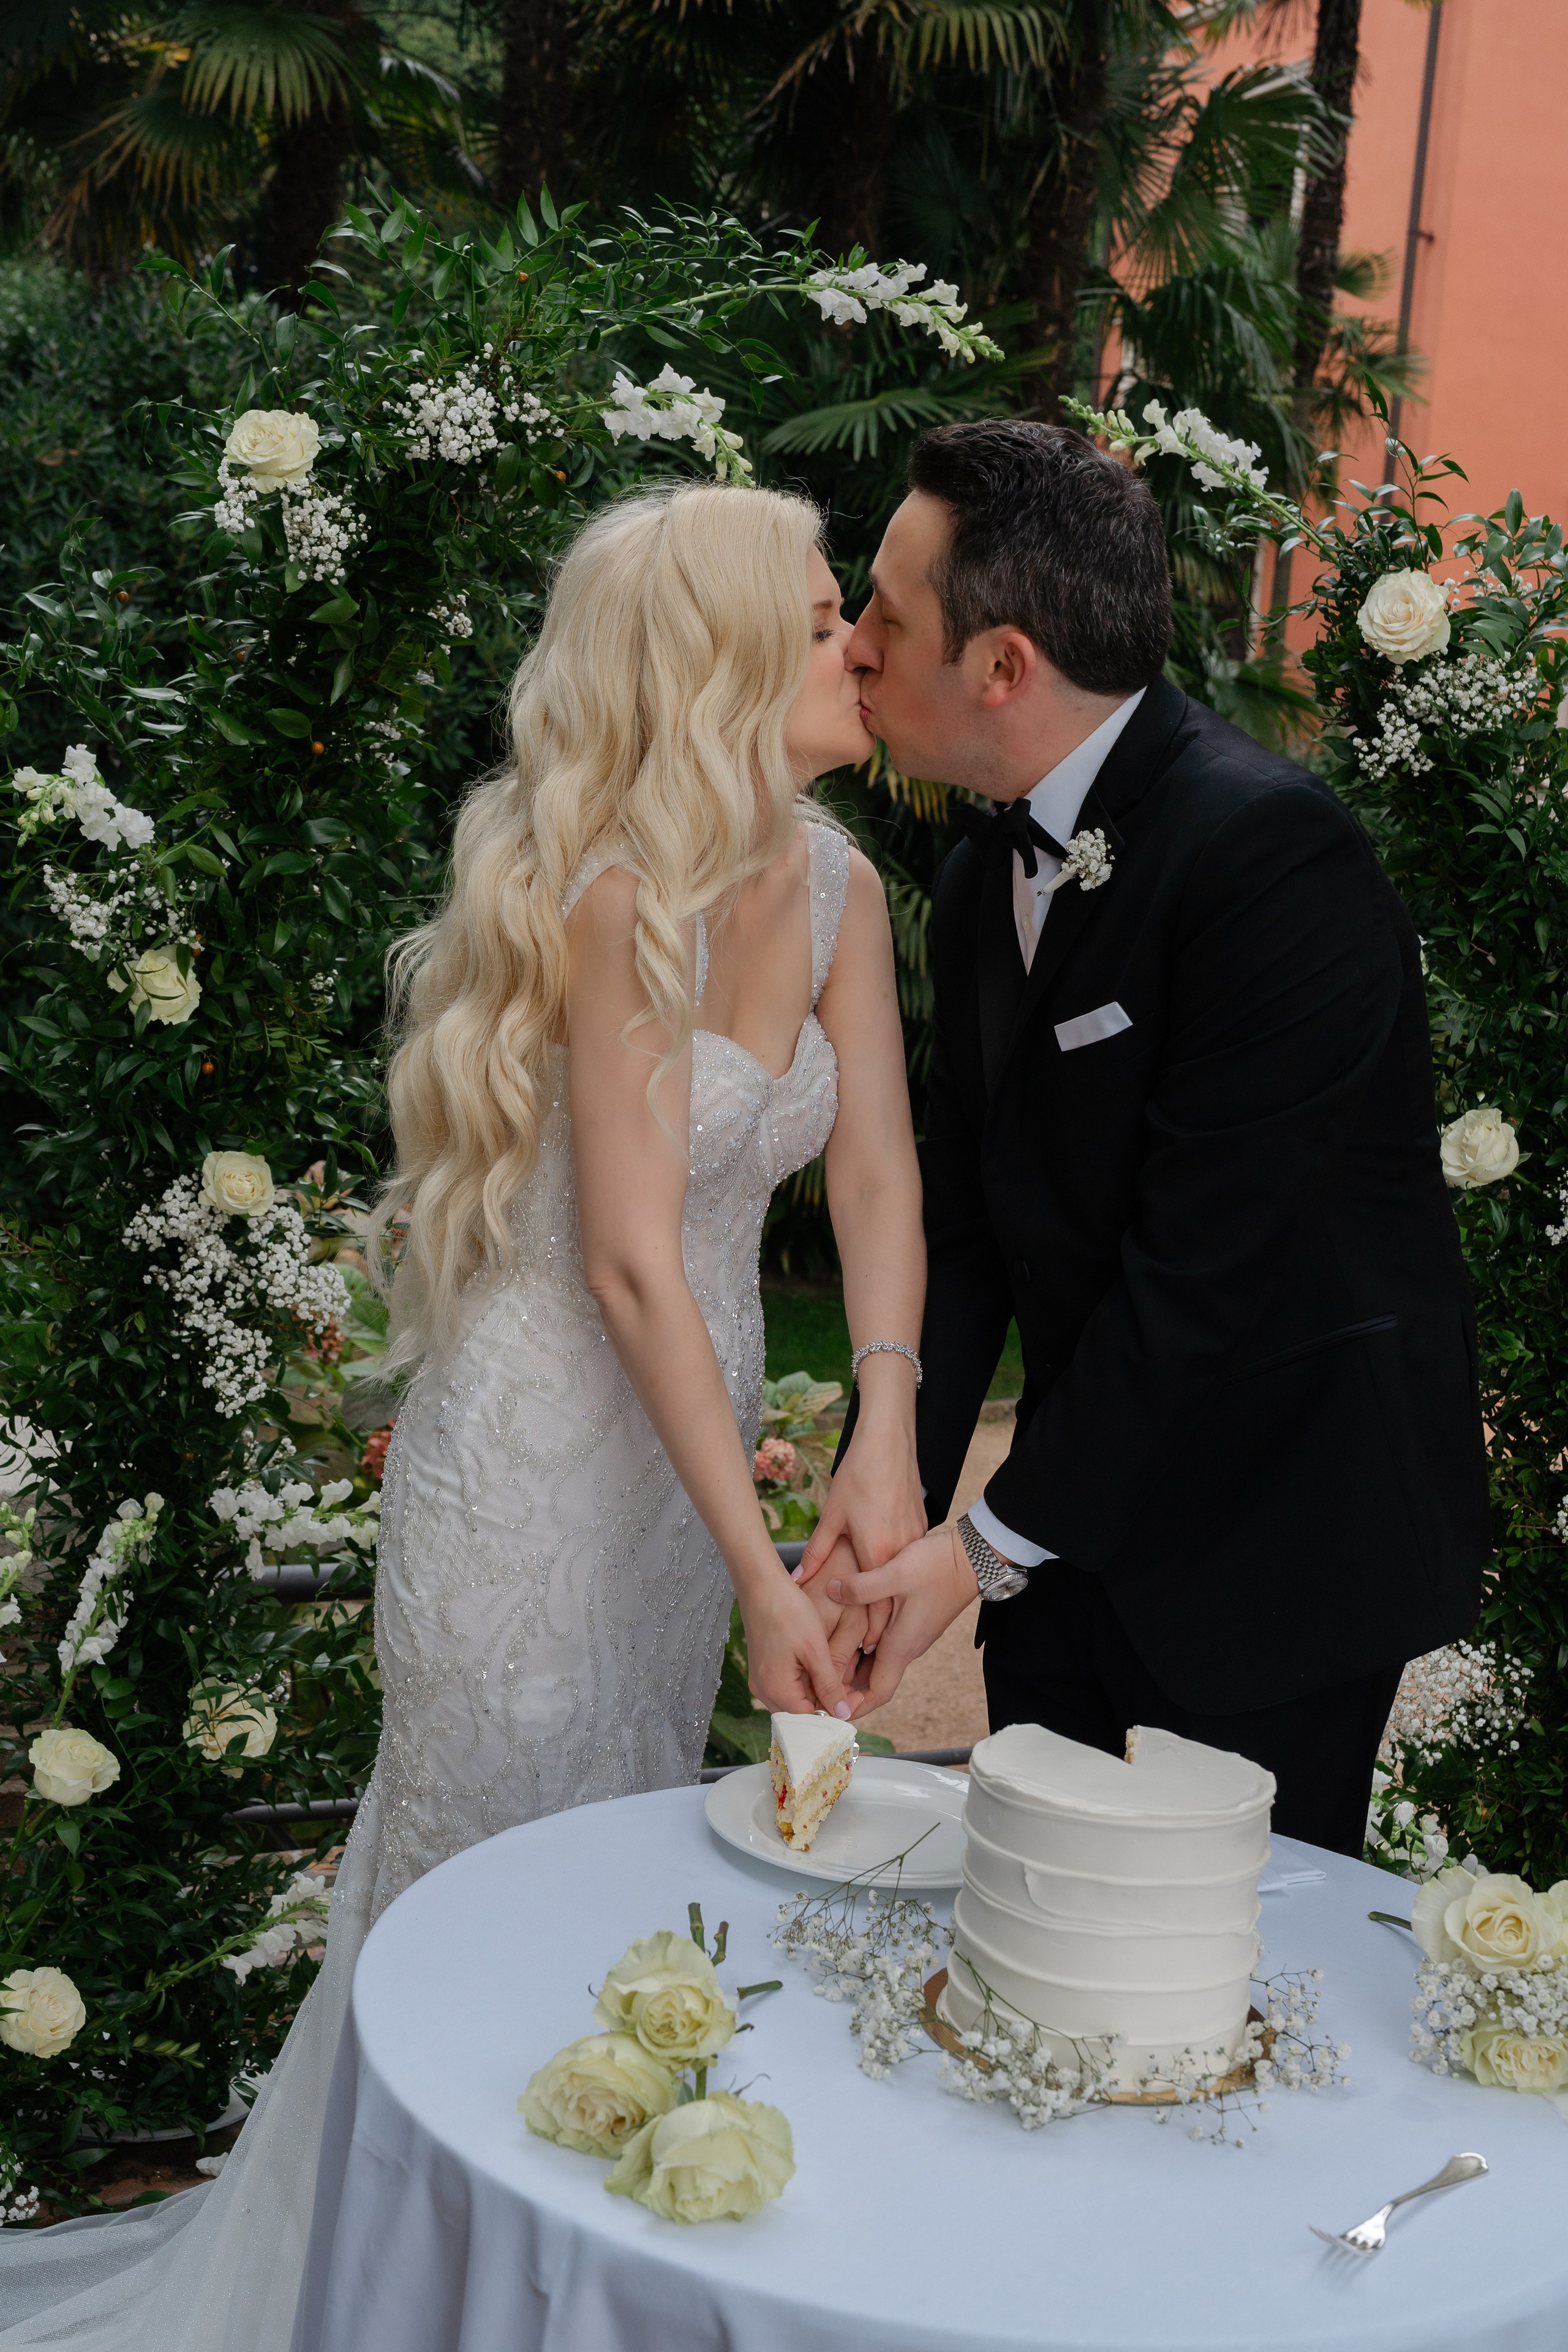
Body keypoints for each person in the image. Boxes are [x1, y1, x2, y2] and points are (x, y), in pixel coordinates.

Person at [0, 482, 926, 2348]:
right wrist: (772, 1569)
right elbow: (630, 1268)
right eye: (827, 617)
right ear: (732, 656)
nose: (859, 647)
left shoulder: (839, 885)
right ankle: (390, 2302)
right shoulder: (613, 899)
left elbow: (888, 1185)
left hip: (681, 1488)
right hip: (533, 1474)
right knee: (483, 1904)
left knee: (613, 1900)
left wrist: (885, 1431)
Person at [804, 420, 1490, 1856]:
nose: (854, 643)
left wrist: (975, 1554)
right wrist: (892, 1505)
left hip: (1278, 1551)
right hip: (1074, 1545)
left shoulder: (1275, 860)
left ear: (1000, 668)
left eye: (884, 610)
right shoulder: (975, 866)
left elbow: (1205, 1277)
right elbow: (970, 1225)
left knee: (1217, 1995)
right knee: (1033, 1934)